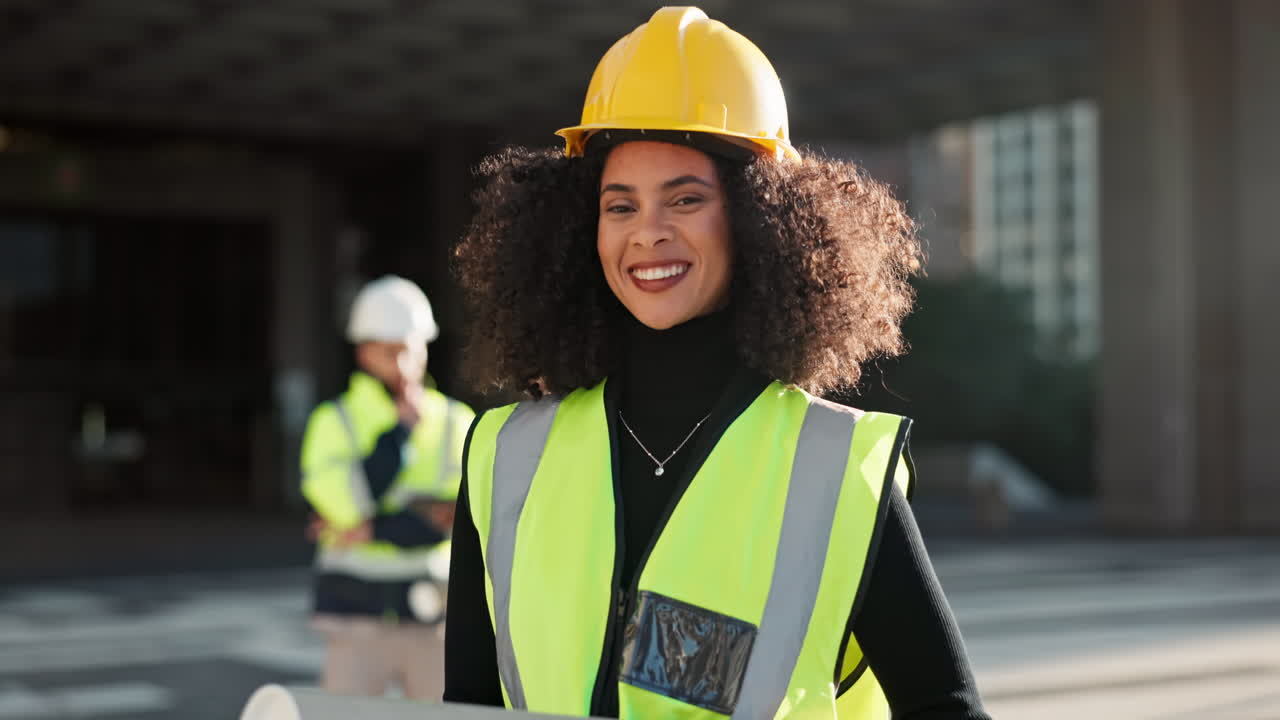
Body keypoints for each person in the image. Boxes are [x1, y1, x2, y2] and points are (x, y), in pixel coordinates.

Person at [445, 6, 990, 719]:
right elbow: (467, 706)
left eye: (686, 199)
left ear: (760, 217)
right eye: (620, 206)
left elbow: (945, 707)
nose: (649, 234)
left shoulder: (835, 465)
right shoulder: (504, 456)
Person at [300, 274, 473, 701]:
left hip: (437, 617)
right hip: (354, 616)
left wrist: (372, 530)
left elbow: (459, 518)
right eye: (389, 351)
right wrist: (398, 436)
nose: (402, 364)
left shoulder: (457, 420)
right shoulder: (332, 420)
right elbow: (349, 506)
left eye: (411, 350)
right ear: (363, 352)